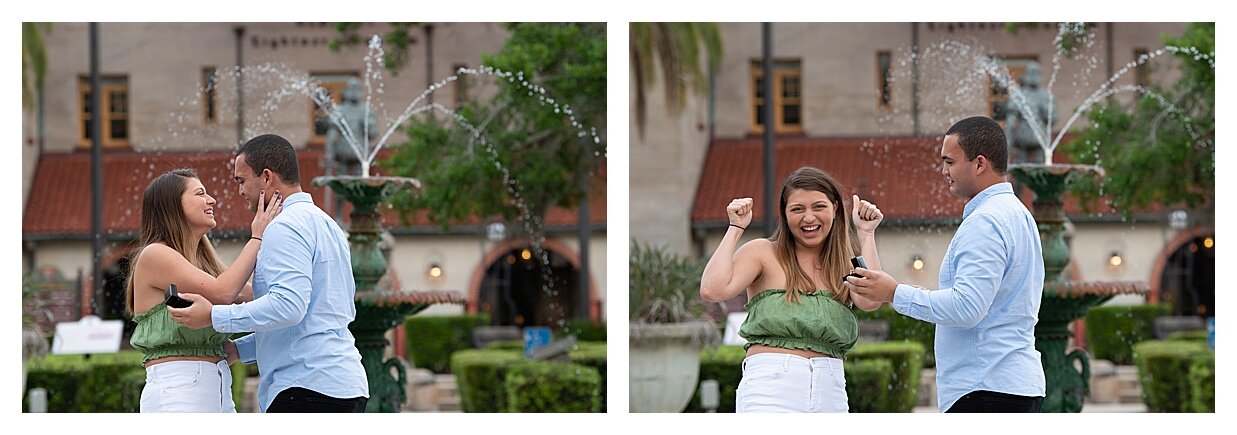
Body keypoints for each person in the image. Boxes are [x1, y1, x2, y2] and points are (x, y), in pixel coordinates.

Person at [846, 115, 1046, 413]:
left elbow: (967, 308)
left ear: (979, 164)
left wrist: (894, 293)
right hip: (1009, 384)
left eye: (950, 162)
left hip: (985, 387)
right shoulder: (1018, 214)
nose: (943, 171)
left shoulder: (986, 221)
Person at [168, 134, 370, 413]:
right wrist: (240, 350)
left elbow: (288, 307)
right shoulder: (328, 224)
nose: (239, 191)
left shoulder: (283, 226)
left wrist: (214, 317)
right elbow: (311, 320)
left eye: (241, 180)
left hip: (306, 389)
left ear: (266, 178)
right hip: (342, 384)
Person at [700, 166, 885, 413]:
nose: (809, 218)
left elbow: (871, 300)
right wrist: (735, 228)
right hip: (770, 387)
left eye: (818, 206)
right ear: (785, 215)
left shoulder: (846, 261)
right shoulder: (762, 252)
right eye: (798, 209)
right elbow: (713, 290)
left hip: (830, 388)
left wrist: (866, 233)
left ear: (835, 209)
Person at [126, 168, 282, 412]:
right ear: (173, 206)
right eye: (200, 193)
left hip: (218, 388)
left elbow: (256, 298)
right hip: (178, 391)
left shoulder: (205, 262)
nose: (212, 200)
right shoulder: (155, 254)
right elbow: (224, 293)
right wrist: (257, 237)